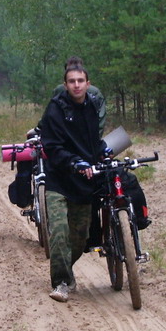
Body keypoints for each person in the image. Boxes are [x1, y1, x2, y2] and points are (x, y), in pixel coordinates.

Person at [39, 65, 109, 303]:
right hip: (59, 179)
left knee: (80, 237)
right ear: (65, 85)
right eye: (72, 81)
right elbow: (52, 146)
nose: (76, 85)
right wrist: (74, 162)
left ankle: (66, 272)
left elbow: (93, 141)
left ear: (88, 84)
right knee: (60, 232)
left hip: (84, 182)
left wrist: (102, 152)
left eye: (80, 81)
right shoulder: (56, 109)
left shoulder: (93, 107)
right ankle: (61, 283)